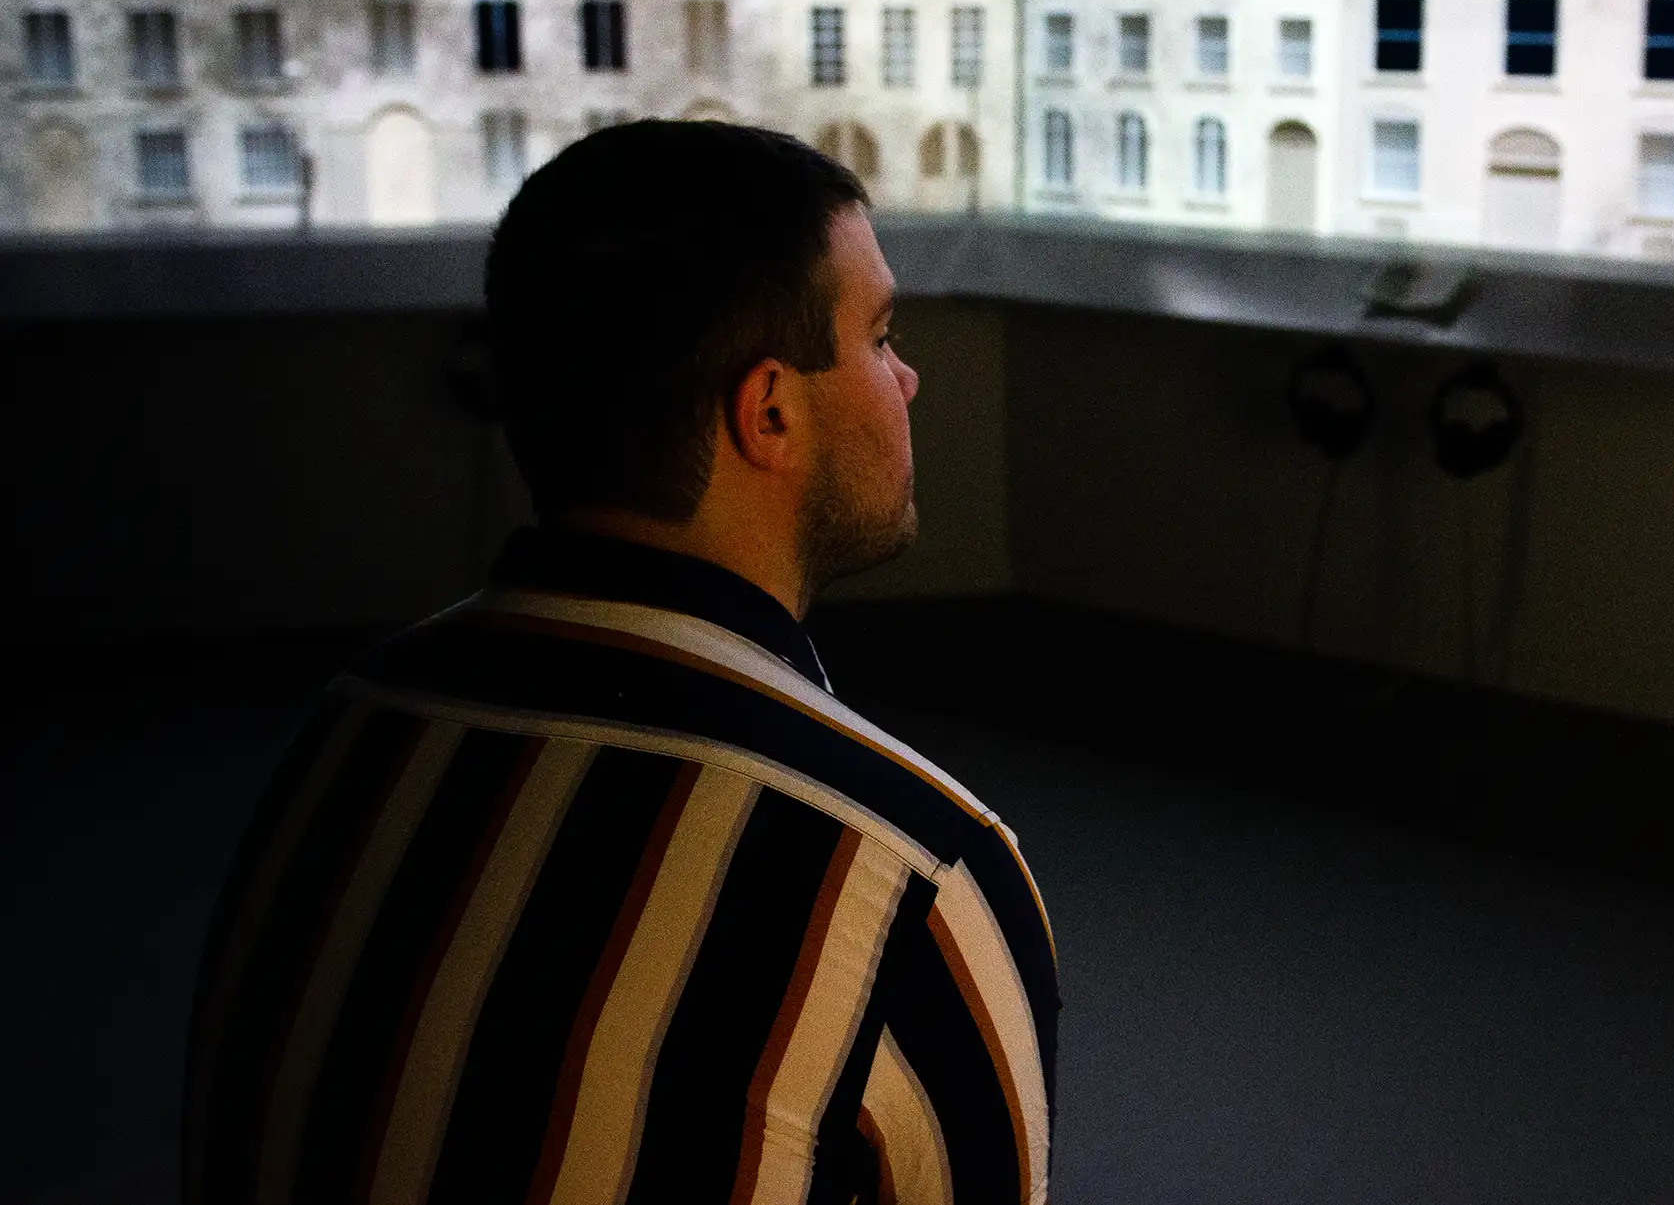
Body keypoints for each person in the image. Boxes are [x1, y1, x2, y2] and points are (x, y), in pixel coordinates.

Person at [181, 122, 1057, 1205]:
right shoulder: (913, 874)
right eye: (880, 336)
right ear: (770, 409)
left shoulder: (345, 732)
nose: (909, 378)